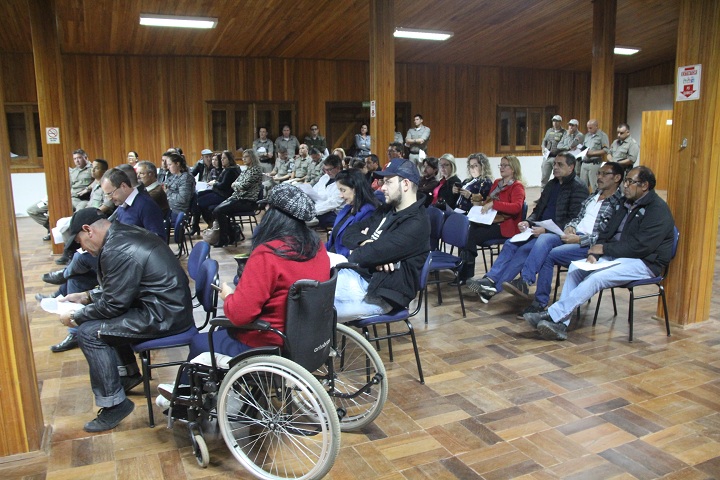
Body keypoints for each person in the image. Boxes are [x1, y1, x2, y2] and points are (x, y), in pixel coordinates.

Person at [55, 209, 193, 432]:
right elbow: (122, 288)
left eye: (80, 243)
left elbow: (113, 304)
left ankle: (115, 404)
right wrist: (87, 296)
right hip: (166, 308)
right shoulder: (121, 234)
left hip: (165, 316)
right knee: (99, 324)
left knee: (88, 333)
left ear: (88, 230)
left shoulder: (117, 248)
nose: (83, 250)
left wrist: (75, 316)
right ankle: (128, 375)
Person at [524, 166, 675, 341]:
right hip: (619, 255)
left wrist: (603, 249)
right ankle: (560, 324)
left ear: (645, 186)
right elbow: (607, 232)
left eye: (630, 182)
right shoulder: (625, 203)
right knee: (575, 269)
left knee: (597, 277)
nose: (625, 186)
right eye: (626, 181)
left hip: (645, 262)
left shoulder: (658, 210)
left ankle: (552, 315)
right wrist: (595, 253)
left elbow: (640, 247)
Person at [185, 184, 329, 362]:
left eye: (264, 208)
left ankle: (184, 389)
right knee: (223, 329)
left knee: (199, 342)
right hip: (308, 337)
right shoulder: (318, 248)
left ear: (272, 214)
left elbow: (240, 315)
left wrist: (228, 297)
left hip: (269, 341)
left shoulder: (268, 254)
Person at [468, 152, 588, 303]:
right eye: (554, 164)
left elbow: (574, 219)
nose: (555, 167)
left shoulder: (578, 187)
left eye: (560, 164)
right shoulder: (552, 184)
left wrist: (546, 230)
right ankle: (491, 281)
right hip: (539, 228)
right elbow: (538, 210)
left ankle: (498, 286)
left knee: (524, 250)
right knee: (511, 244)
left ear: (571, 167)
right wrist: (528, 222)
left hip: (558, 233)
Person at [515, 162, 624, 318]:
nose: (599, 177)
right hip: (573, 235)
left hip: (588, 244)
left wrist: (579, 239)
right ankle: (525, 281)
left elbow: (607, 236)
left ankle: (539, 304)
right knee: (545, 239)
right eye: (598, 173)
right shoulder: (594, 195)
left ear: (617, 178)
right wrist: (571, 226)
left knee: (550, 254)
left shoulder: (618, 204)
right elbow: (578, 216)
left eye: (604, 174)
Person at [334, 158, 430, 321]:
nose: (381, 187)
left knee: (315, 309)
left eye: (388, 182)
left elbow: (360, 256)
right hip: (359, 276)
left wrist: (369, 252)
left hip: (379, 293)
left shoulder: (417, 223)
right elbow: (349, 232)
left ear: (405, 184)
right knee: (306, 291)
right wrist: (366, 244)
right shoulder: (386, 210)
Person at [459, 155, 526, 284]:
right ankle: (465, 271)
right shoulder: (497, 183)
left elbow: (516, 208)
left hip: (506, 225)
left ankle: (465, 272)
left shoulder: (517, 186)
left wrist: (494, 204)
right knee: (466, 230)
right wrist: (480, 203)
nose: (502, 167)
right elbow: (489, 201)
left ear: (513, 168)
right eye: (501, 165)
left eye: (505, 165)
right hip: (492, 220)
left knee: (470, 235)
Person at [27, 148, 93, 241]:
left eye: (79, 158)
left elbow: (98, 181)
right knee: (32, 210)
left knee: (79, 214)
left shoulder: (93, 169)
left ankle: (75, 237)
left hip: (80, 199)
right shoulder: (72, 171)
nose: (77, 161)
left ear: (85, 157)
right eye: (75, 159)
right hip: (66, 197)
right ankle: (51, 229)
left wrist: (88, 188)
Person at [212, 149, 263, 247]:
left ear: (252, 157)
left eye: (246, 157)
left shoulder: (256, 170)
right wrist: (237, 185)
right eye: (243, 157)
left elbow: (243, 185)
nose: (243, 159)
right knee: (217, 210)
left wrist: (236, 185)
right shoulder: (246, 171)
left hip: (248, 201)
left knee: (218, 211)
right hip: (238, 197)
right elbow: (235, 184)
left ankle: (225, 239)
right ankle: (232, 235)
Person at [326, 169, 380, 257]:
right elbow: (332, 241)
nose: (341, 195)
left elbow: (356, 246)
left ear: (355, 189)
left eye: (343, 190)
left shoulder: (368, 211)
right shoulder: (347, 208)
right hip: (333, 254)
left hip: (344, 259)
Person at [193, 150, 241, 233]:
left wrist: (214, 183)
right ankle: (207, 223)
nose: (221, 160)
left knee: (198, 202)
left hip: (224, 196)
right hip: (219, 192)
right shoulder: (227, 169)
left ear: (229, 159)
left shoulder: (231, 170)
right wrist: (215, 183)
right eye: (221, 158)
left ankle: (211, 223)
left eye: (224, 158)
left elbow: (223, 186)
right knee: (197, 196)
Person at [310, 155, 345, 228]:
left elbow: (333, 203)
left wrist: (313, 211)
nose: (327, 172)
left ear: (338, 168)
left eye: (329, 170)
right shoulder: (325, 177)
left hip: (333, 213)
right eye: (325, 170)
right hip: (317, 207)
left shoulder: (344, 181)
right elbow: (313, 191)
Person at [163, 152, 196, 219]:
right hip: (169, 208)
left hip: (178, 211)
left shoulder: (186, 178)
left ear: (177, 164)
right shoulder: (174, 176)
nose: (168, 167)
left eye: (170, 164)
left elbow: (183, 199)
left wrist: (167, 192)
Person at [579, 119, 610, 191]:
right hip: (584, 163)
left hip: (594, 164)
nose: (589, 129)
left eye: (590, 128)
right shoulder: (587, 136)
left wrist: (592, 153)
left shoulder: (602, 135)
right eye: (588, 128)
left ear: (596, 126)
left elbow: (606, 150)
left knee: (595, 186)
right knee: (582, 186)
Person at [540, 115, 566, 187]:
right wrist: (543, 148)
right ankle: (543, 193)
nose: (555, 123)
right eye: (553, 121)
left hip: (557, 157)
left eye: (557, 121)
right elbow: (544, 141)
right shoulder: (549, 131)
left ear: (560, 122)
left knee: (559, 176)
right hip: (547, 157)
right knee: (544, 176)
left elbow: (565, 144)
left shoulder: (564, 132)